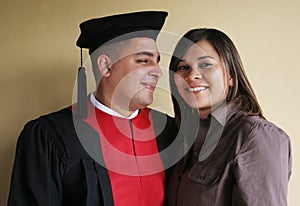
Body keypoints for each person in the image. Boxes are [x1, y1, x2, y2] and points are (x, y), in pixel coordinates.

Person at [8, 11, 178, 206]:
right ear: (105, 65)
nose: (157, 71)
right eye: (143, 60)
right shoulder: (52, 136)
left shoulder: (166, 130)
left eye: (157, 61)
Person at [166, 28, 292, 206]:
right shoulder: (181, 137)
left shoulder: (256, 136)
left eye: (206, 64)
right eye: (183, 67)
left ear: (231, 75)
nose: (191, 75)